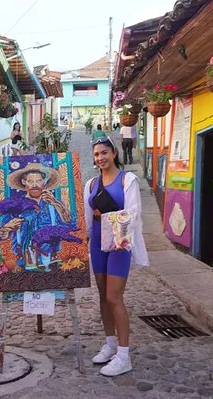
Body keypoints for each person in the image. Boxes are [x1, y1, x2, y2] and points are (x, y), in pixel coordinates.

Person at [83, 135, 149, 377]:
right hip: (97, 244)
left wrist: (109, 218)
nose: (100, 157)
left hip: (119, 243)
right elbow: (88, 218)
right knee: (102, 296)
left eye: (104, 152)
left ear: (114, 153)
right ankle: (110, 344)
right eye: (96, 154)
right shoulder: (91, 184)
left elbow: (133, 213)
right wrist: (83, 242)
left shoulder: (127, 180)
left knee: (114, 297)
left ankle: (123, 355)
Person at [0, 163, 73, 271]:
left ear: (44, 182)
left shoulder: (54, 204)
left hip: (52, 263)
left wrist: (57, 204)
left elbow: (69, 222)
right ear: (24, 182)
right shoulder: (15, 206)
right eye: (30, 181)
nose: (35, 185)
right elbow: (2, 236)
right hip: (25, 265)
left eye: (38, 181)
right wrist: (6, 228)